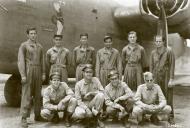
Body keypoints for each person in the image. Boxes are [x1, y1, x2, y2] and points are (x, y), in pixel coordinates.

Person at [18, 27, 46, 128]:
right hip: (29, 70)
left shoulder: (40, 46)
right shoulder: (24, 46)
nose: (33, 35)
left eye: (35, 33)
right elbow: (21, 61)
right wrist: (23, 75)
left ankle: (37, 115)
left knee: (38, 94)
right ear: (27, 35)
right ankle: (24, 118)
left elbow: (42, 61)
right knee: (27, 94)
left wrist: (43, 73)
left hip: (38, 70)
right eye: (31, 33)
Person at [150, 35, 175, 124]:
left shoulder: (169, 51)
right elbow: (151, 66)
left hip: (166, 75)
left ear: (163, 42)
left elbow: (172, 65)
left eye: (160, 41)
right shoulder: (153, 52)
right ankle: (155, 116)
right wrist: (151, 78)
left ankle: (171, 116)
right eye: (156, 41)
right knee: (155, 96)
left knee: (168, 96)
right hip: (156, 75)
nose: (158, 43)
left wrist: (171, 79)